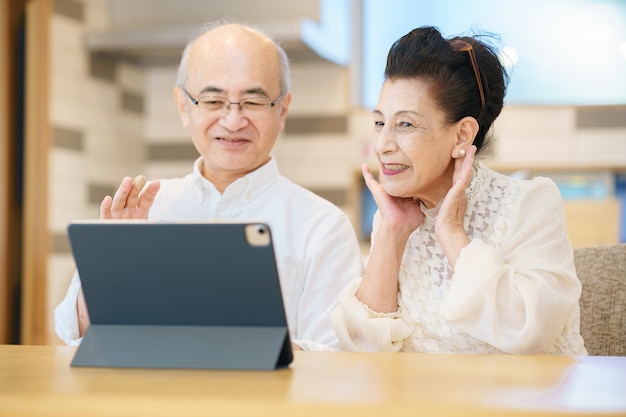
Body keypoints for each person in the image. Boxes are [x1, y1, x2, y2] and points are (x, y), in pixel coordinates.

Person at [55, 21, 364, 352]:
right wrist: (110, 261)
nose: (232, 121)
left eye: (253, 102)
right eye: (213, 101)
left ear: (282, 109)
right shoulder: (146, 211)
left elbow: (333, 359)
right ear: (183, 106)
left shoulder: (322, 227)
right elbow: (76, 334)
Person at [331, 26, 587, 355]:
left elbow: (528, 332)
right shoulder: (394, 218)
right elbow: (362, 352)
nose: (382, 145)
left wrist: (451, 231)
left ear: (462, 135)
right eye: (380, 122)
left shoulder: (529, 204)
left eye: (405, 124)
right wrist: (392, 232)